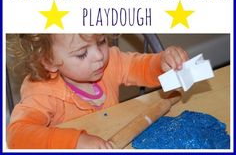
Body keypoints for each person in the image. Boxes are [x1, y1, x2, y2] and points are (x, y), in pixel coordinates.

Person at [7, 34, 189, 149]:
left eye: (101, 41)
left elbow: (139, 67)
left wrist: (161, 64)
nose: (99, 56)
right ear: (48, 61)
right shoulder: (41, 92)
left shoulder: (111, 63)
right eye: (82, 54)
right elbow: (17, 135)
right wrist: (75, 142)